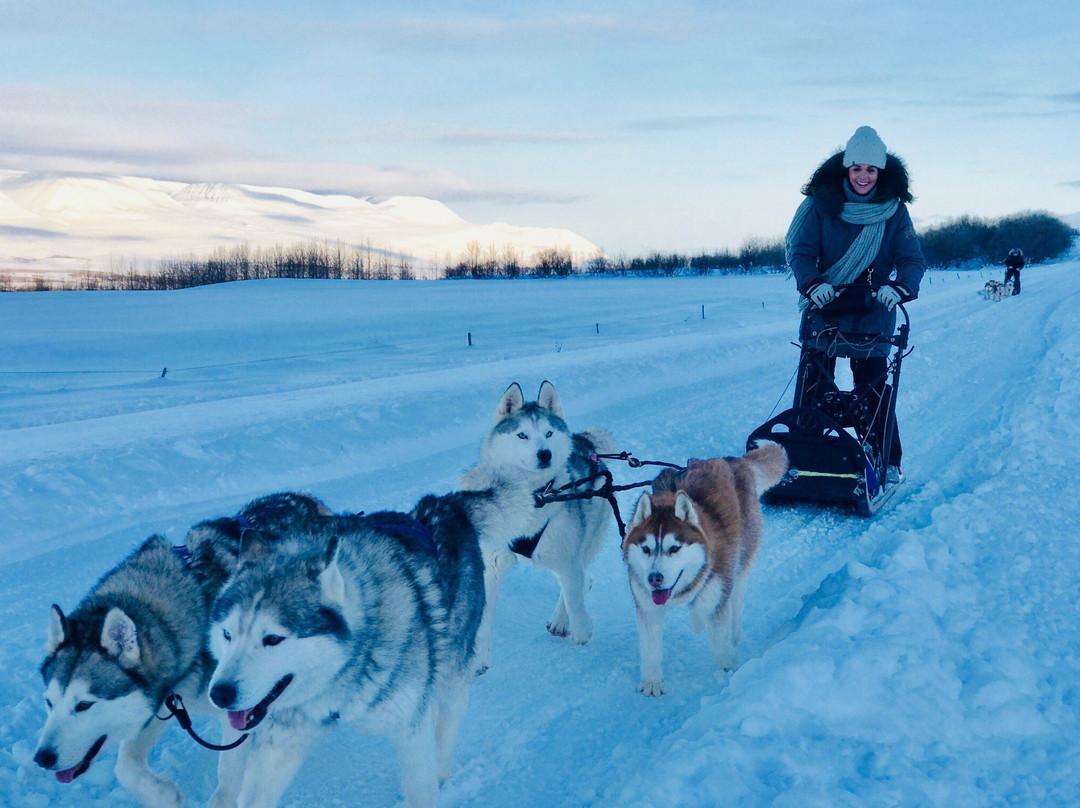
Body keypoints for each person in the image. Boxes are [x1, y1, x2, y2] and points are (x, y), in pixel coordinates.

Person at [785, 125, 926, 485]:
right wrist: (812, 283)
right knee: (814, 382)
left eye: (871, 170)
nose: (864, 176)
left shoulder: (894, 211)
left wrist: (899, 287)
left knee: (873, 388)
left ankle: (885, 459)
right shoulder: (821, 205)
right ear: (846, 168)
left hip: (873, 309)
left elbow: (911, 260)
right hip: (826, 305)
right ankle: (805, 452)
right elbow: (801, 252)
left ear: (881, 172)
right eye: (857, 168)